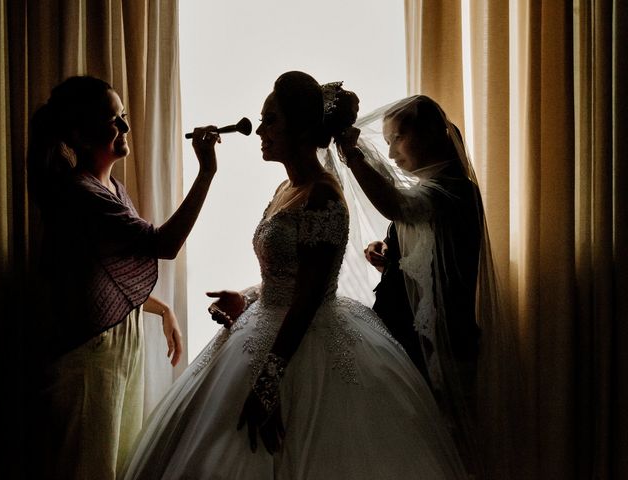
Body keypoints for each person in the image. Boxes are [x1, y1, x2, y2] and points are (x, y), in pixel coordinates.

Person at [120, 72, 468, 479]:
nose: (260, 131)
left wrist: (269, 386)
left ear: (300, 129)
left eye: (271, 120)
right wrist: (248, 297)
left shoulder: (324, 195)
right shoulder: (288, 188)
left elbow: (308, 296)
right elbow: (284, 277)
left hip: (307, 338)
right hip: (264, 322)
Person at [26, 75, 220, 480]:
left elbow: (97, 277)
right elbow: (163, 244)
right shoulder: (82, 195)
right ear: (81, 135)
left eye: (124, 117)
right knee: (89, 469)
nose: (126, 128)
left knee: (116, 465)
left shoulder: (111, 188)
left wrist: (161, 307)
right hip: (90, 358)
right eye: (114, 120)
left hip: (113, 349)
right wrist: (205, 174)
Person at [334, 94, 515, 477]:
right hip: (408, 334)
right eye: (386, 144)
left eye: (396, 138)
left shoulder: (454, 188)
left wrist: (353, 156)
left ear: (431, 133)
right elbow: (425, 257)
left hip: (439, 343)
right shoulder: (436, 187)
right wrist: (392, 259)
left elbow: (398, 206)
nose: (392, 154)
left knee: (439, 444)